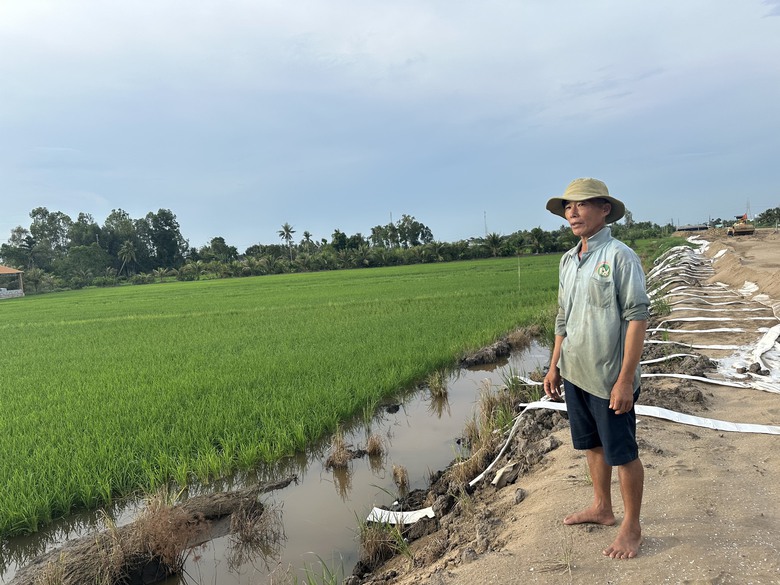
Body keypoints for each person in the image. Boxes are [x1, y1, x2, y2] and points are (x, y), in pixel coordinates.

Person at [542, 177, 650, 560]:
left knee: (622, 452)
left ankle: (632, 527)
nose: (572, 212)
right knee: (592, 445)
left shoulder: (620, 257)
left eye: (582, 204)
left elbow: (637, 317)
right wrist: (554, 367)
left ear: (605, 209)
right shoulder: (569, 260)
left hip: (609, 378)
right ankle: (602, 508)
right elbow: (562, 318)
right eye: (567, 206)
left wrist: (624, 379)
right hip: (574, 372)